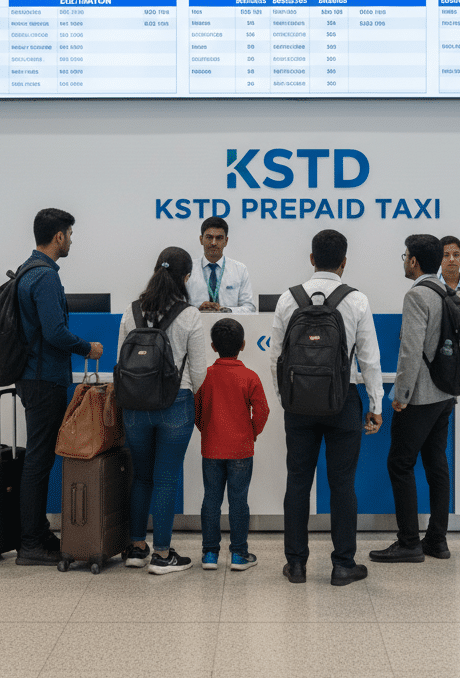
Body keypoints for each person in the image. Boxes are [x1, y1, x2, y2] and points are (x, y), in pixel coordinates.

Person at [269, 229, 383, 587]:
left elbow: (276, 356)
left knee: (297, 482)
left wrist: (285, 397)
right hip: (342, 402)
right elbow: (370, 359)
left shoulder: (289, 299)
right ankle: (343, 565)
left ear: (312, 259)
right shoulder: (357, 300)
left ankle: (297, 565)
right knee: (342, 484)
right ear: (344, 262)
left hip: (298, 404)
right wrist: (376, 404)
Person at [15, 208, 104, 566]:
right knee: (38, 460)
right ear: (58, 237)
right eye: (69, 234)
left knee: (38, 458)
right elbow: (54, 332)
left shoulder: (26, 270)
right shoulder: (46, 277)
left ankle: (34, 535)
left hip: (32, 375)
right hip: (44, 377)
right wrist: (88, 348)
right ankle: (30, 542)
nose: (71, 240)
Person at [119, 246, 209, 574]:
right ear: (185, 278)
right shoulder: (189, 315)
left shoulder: (131, 312)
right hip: (175, 404)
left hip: (134, 407)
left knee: (140, 476)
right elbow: (198, 373)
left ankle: (135, 547)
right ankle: (162, 554)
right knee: (167, 478)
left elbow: (121, 361)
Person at [370, 234, 457, 564]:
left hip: (420, 396)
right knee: (436, 463)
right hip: (445, 394)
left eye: (405, 255)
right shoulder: (445, 291)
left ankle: (408, 541)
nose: (404, 260)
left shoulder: (418, 295)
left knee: (399, 463)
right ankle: (437, 539)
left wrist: (401, 395)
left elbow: (410, 351)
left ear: (414, 261)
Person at [195, 317, 269, 571]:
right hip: (241, 449)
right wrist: (252, 433)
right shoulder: (250, 376)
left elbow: (196, 411)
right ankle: (239, 554)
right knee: (239, 500)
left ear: (213, 346)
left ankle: (209, 554)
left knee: (211, 500)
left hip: (212, 447)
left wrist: (207, 430)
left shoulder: (205, 376)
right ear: (244, 344)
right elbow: (262, 411)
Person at [186, 216, 256, 313]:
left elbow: (250, 308)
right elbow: (179, 305)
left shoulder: (239, 269)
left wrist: (224, 310)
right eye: (209, 237)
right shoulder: (188, 268)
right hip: (195, 324)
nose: (213, 243)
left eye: (219, 238)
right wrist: (197, 309)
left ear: (226, 241)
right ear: (201, 239)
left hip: (229, 326)